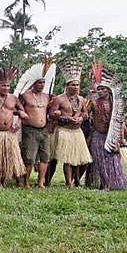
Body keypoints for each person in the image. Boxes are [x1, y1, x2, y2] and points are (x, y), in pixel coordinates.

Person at [85, 63, 127, 191]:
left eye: (103, 89)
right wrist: (88, 99)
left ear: (108, 90)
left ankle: (112, 182)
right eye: (98, 89)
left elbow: (119, 122)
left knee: (111, 160)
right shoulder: (93, 102)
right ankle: (105, 183)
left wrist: (120, 139)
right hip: (97, 135)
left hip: (110, 135)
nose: (100, 91)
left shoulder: (115, 104)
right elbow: (84, 114)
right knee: (99, 160)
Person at [49, 57, 92, 188]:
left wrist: (81, 118)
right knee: (67, 159)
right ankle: (68, 183)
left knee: (76, 159)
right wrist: (66, 118)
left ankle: (74, 180)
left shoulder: (80, 99)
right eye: (73, 84)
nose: (76, 87)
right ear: (67, 86)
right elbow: (51, 114)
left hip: (76, 131)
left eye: (77, 85)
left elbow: (85, 113)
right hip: (64, 131)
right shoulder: (59, 99)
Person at [0, 67, 28, 188]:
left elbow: (22, 111)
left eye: (8, 86)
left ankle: (4, 181)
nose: (6, 88)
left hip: (9, 133)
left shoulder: (13, 98)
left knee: (7, 158)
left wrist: (19, 122)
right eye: (3, 86)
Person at [15, 59, 55, 188]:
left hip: (44, 130)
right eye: (39, 82)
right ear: (33, 83)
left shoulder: (47, 96)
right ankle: (26, 182)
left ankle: (40, 182)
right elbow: (16, 108)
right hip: (30, 130)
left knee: (45, 157)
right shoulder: (25, 95)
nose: (42, 84)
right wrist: (21, 113)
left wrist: (52, 119)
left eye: (43, 82)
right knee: (29, 158)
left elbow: (49, 111)